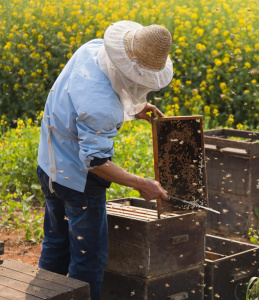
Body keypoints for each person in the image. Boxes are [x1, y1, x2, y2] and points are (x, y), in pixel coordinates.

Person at [36, 20, 172, 299]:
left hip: (47, 165)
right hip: (77, 182)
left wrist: (133, 108)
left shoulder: (92, 50)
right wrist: (141, 183)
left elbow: (86, 97)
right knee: (89, 258)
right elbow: (96, 162)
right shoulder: (101, 107)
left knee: (56, 242)